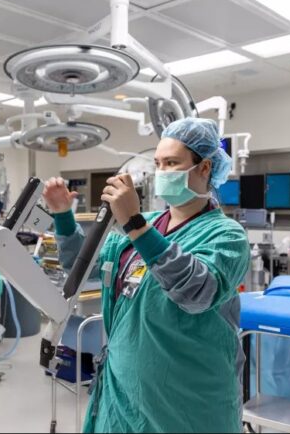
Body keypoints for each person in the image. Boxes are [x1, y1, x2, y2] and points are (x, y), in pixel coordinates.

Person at [42, 117, 250, 433]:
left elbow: (197, 293)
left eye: (172, 163)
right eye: (157, 163)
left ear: (204, 168)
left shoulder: (227, 235)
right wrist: (62, 217)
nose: (162, 172)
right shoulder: (140, 227)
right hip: (123, 395)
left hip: (187, 402)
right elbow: (83, 267)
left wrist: (137, 225)